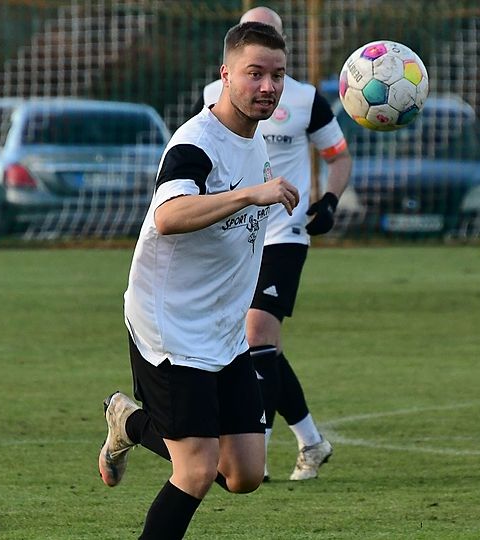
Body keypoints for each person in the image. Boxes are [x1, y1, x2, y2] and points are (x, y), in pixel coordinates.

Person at [99, 22, 299, 539]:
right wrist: (249, 195)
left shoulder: (252, 140)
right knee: (195, 472)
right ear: (225, 75)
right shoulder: (195, 144)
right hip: (171, 327)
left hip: (223, 332)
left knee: (245, 473)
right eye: (255, 74)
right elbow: (168, 216)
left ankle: (128, 421)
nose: (268, 87)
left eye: (277, 75)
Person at [196, 6, 352, 482]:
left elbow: (338, 157)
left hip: (284, 231)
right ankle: (311, 440)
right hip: (237, 234)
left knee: (258, 333)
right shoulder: (213, 95)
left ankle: (256, 449)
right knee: (260, 346)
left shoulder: (305, 99)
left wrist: (329, 201)